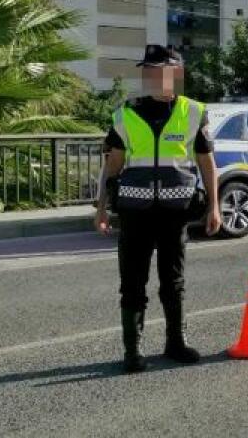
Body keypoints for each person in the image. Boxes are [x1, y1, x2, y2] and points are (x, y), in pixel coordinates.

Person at [94, 44, 221, 373]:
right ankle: (132, 351)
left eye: (164, 72)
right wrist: (102, 208)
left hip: (174, 213)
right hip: (134, 214)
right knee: (132, 284)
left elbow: (208, 165)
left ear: (177, 75)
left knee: (173, 282)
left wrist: (215, 208)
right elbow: (112, 166)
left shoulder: (193, 112)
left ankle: (175, 342)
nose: (157, 78)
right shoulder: (126, 112)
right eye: (150, 72)